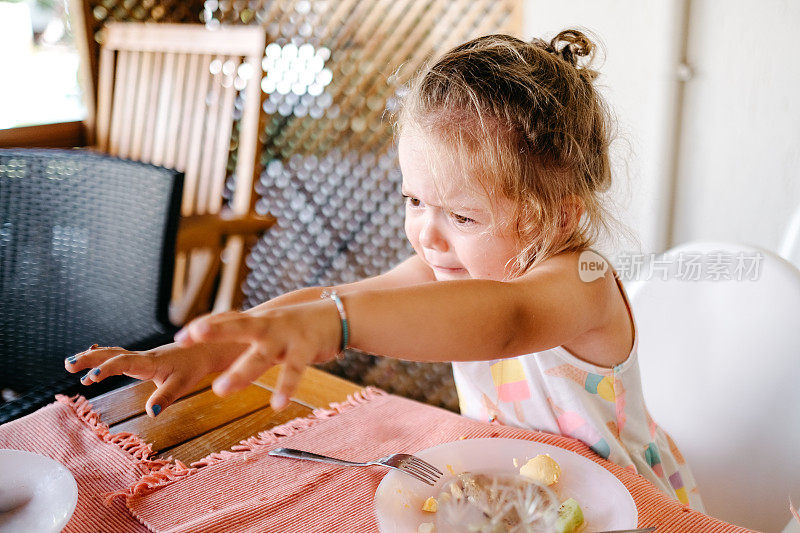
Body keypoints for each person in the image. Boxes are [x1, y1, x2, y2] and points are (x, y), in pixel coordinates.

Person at [65, 30, 703, 509]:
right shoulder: (452, 266)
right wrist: (214, 351)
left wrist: (336, 326)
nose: (426, 233)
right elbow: (342, 294)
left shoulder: (579, 281)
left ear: (554, 219)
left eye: (462, 216)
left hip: (629, 505)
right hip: (527, 497)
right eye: (415, 200)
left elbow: (506, 324)